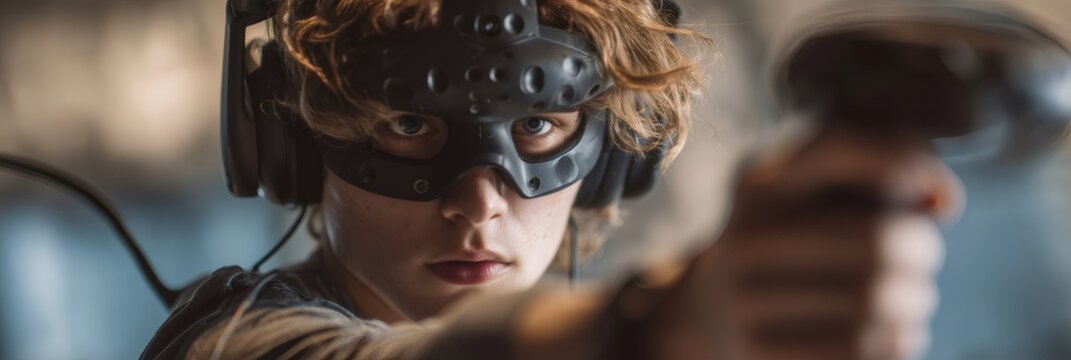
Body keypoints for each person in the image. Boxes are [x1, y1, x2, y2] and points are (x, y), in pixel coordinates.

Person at [141, 0, 963, 359]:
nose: (478, 206)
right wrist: (653, 329)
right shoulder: (234, 340)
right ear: (294, 136)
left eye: (536, 125)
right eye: (409, 126)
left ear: (612, 152)